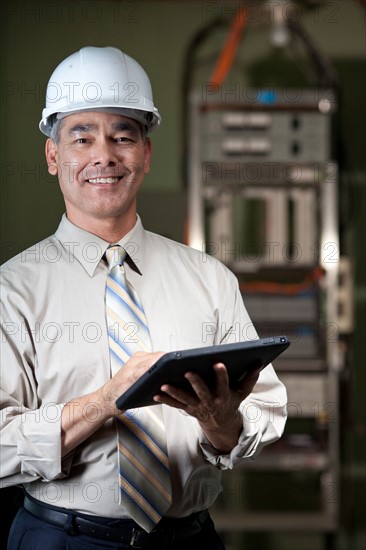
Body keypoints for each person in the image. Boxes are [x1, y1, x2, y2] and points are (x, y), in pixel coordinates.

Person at [0, 46, 287, 550]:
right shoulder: (13, 289)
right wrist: (103, 403)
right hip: (62, 539)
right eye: (82, 137)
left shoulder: (209, 278)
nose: (103, 156)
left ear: (146, 154)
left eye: (122, 136)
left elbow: (264, 415)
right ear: (53, 156)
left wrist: (222, 425)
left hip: (190, 539)